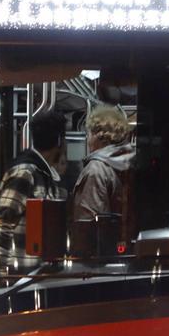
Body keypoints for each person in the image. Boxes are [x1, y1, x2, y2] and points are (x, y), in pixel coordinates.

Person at [0, 110, 68, 268]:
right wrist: (3, 275)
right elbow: (1, 225)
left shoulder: (43, 173)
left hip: (34, 276)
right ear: (60, 141)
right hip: (19, 278)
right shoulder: (25, 173)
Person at [69, 104, 134, 256]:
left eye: (89, 134)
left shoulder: (95, 170)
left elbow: (88, 225)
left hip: (98, 261)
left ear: (99, 135)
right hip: (126, 254)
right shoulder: (130, 165)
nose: (88, 140)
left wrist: (79, 259)